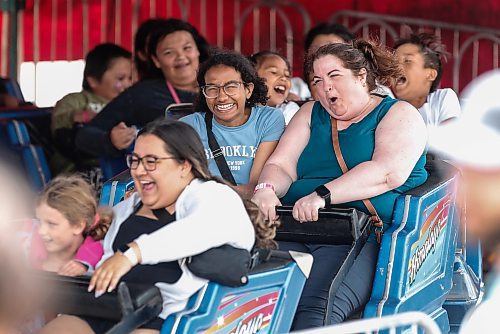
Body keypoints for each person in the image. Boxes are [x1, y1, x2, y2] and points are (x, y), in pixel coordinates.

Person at [252, 40, 428, 329]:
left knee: (315, 310)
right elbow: (281, 164)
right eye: (317, 81)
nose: (325, 88)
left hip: (358, 231)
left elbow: (388, 172)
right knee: (257, 300)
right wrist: (266, 190)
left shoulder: (398, 113)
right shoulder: (309, 112)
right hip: (292, 224)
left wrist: (323, 195)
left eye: (334, 76)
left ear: (361, 76)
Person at [39, 119, 271, 334]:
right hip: (106, 306)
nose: (139, 170)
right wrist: (87, 269)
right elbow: (106, 255)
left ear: (184, 166)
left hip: (165, 316)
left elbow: (195, 232)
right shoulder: (129, 206)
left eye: (151, 161)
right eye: (136, 160)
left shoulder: (213, 196)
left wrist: (132, 254)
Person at [75, 18, 210, 159]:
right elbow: (85, 136)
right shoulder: (142, 95)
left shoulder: (221, 86)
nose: (181, 56)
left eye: (187, 48)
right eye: (169, 52)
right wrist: (110, 140)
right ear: (156, 60)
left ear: (197, 51)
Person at [181, 50, 285, 199]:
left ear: (248, 90)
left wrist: (212, 190)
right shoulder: (190, 126)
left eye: (231, 87)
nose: (222, 97)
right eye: (212, 89)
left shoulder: (269, 118)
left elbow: (254, 187)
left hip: (253, 210)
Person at [50, 43, 133, 184]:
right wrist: (76, 116)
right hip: (77, 174)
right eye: (120, 79)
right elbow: (59, 126)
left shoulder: (129, 104)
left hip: (118, 169)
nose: (127, 84)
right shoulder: (76, 100)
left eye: (130, 78)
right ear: (93, 80)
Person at [27, 175, 112, 276]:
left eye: (51, 224)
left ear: (78, 226)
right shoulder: (26, 243)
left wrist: (85, 268)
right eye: (39, 221)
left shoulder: (100, 256)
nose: (41, 231)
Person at [392, 31, 461, 126]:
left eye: (407, 61)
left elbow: (449, 136)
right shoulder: (389, 106)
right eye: (393, 62)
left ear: (430, 74)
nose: (396, 66)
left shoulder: (443, 98)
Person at [290, 22, 356, 101]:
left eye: (333, 51)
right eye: (316, 51)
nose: (323, 57)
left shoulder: (365, 89)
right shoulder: (292, 88)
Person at [249, 50, 300, 125]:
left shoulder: (289, 110)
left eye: (287, 75)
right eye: (274, 72)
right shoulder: (241, 110)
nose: (283, 78)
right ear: (251, 77)